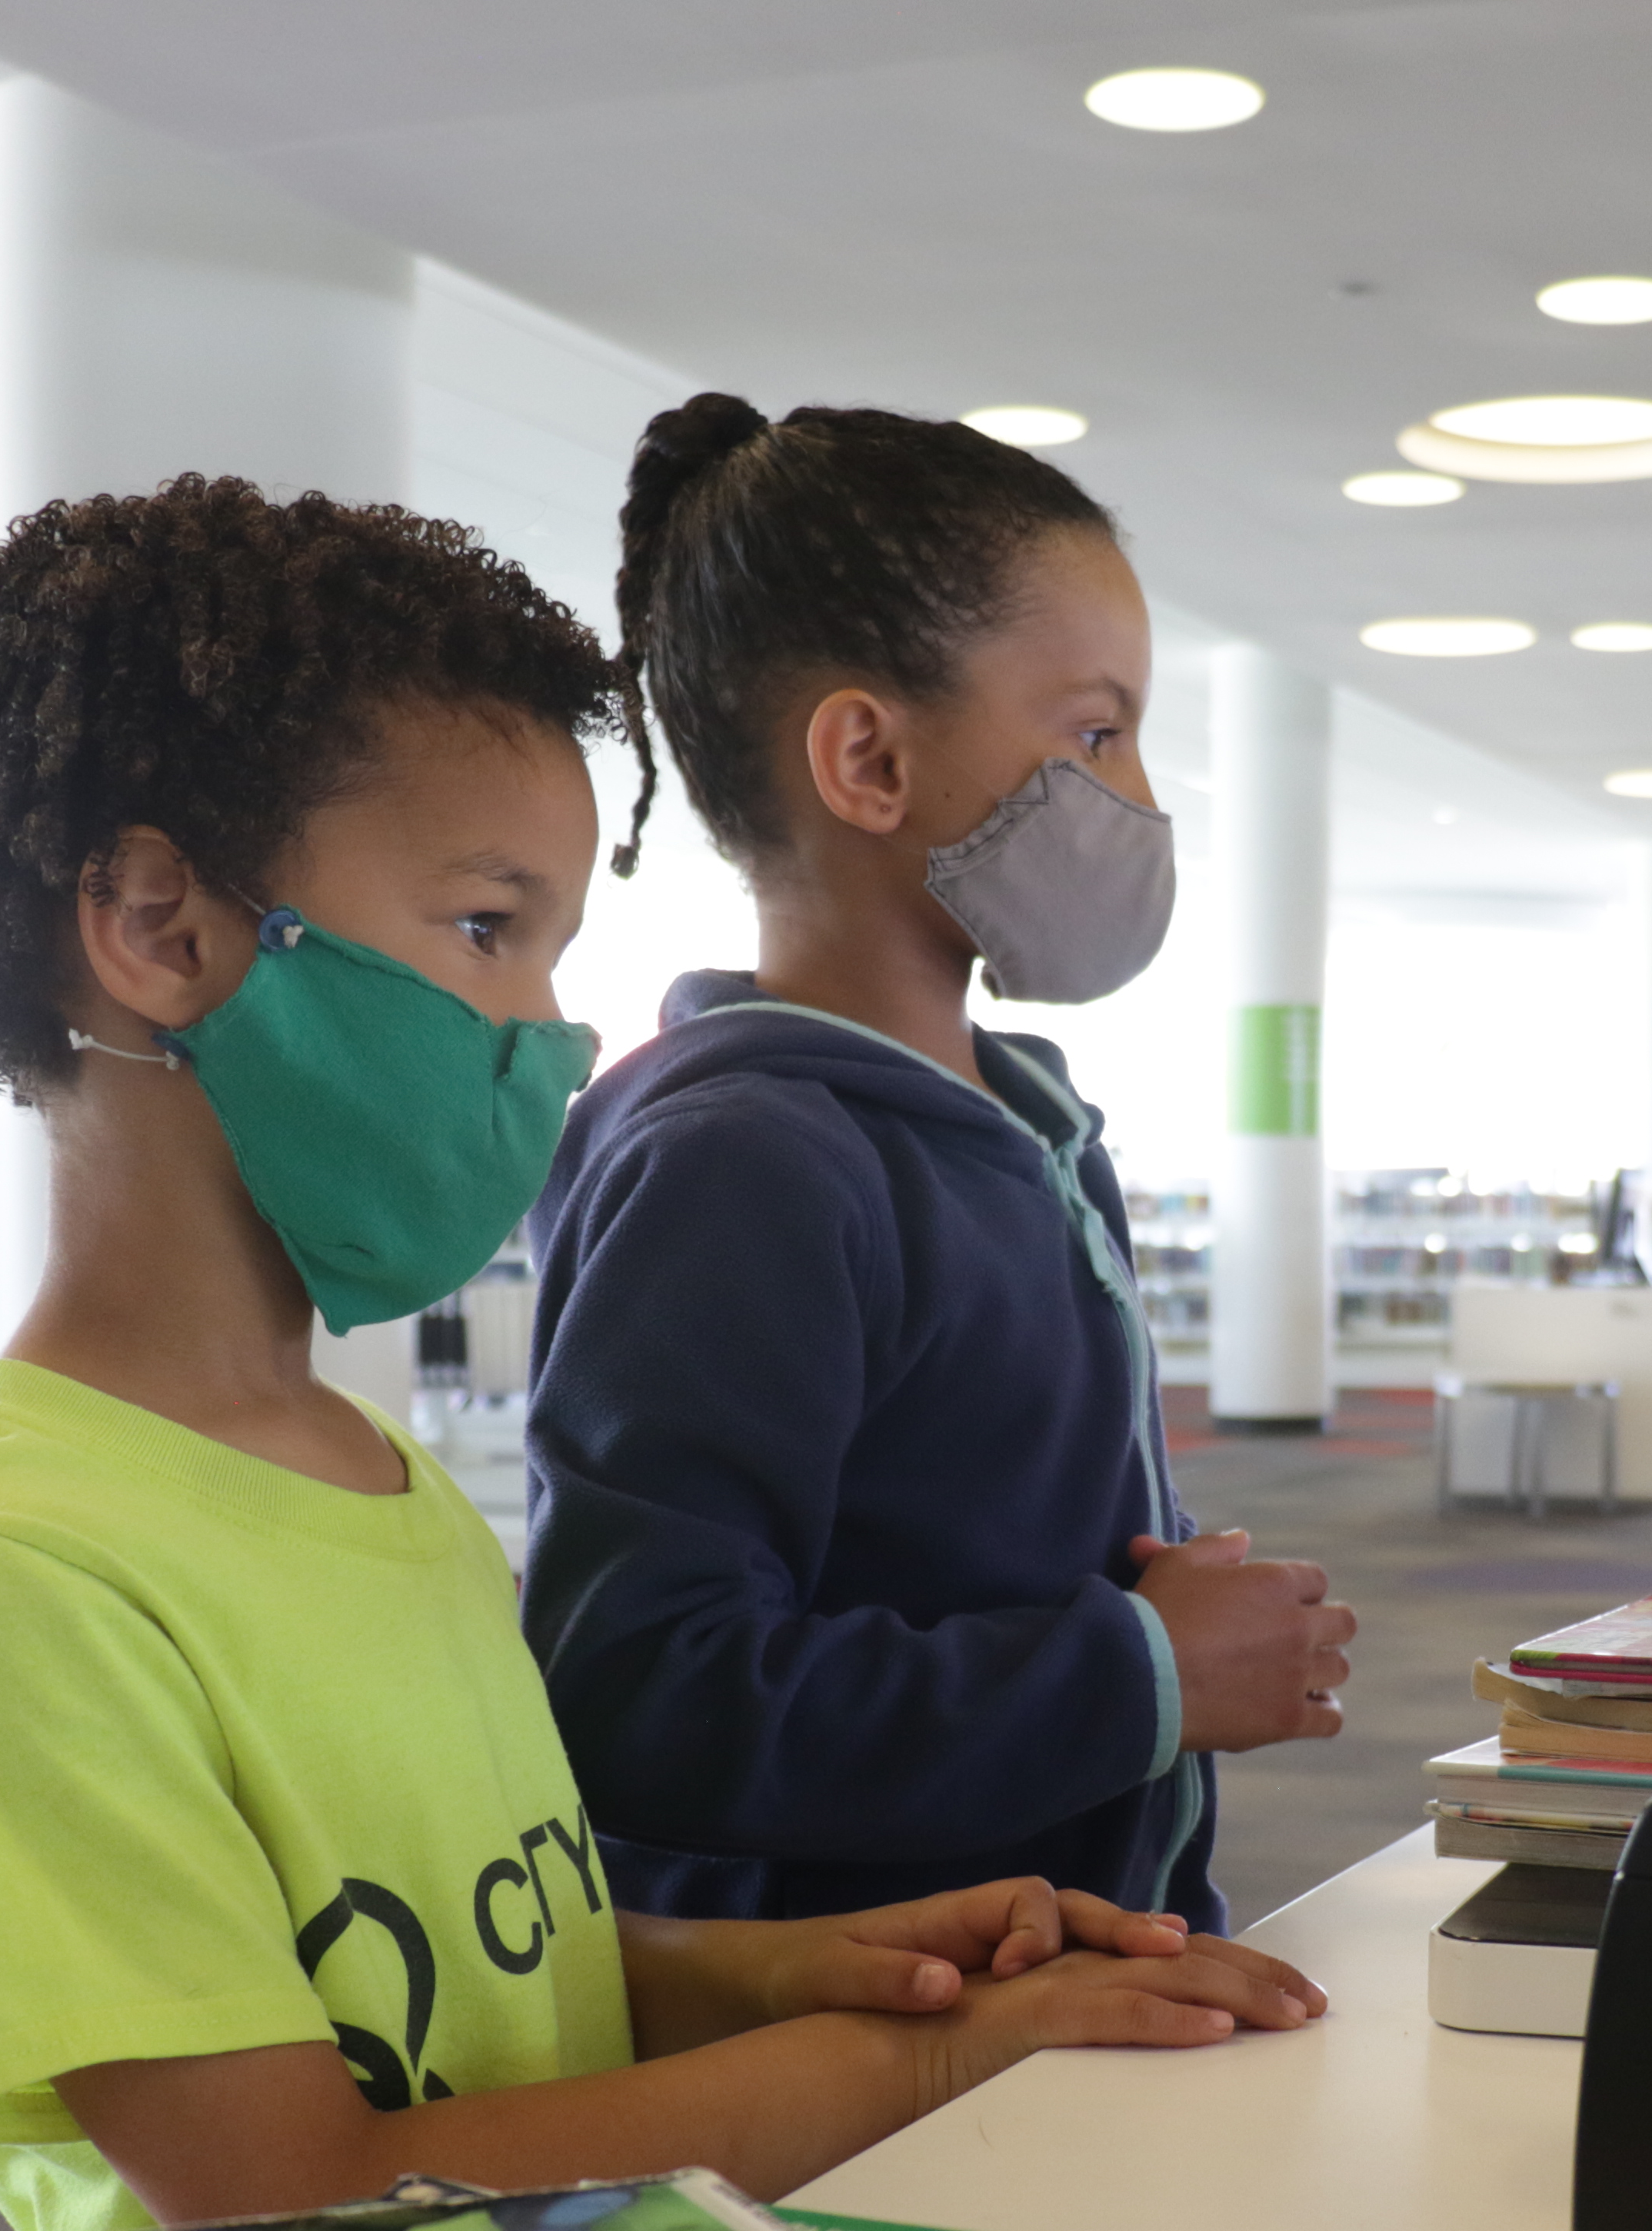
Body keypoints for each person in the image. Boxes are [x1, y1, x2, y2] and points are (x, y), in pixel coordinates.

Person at [0, 475, 1319, 2231]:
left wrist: (817, 1976)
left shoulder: (359, 1474)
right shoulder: (20, 1573)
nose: (547, 1033)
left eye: (551, 947)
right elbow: (290, 2193)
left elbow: (490, 1961)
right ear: (163, 930)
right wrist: (919, 2068)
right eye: (485, 930)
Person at [517, 399, 1354, 1931]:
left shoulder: (1021, 1126)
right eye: (1096, 732)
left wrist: (1142, 1623)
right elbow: (644, 1700)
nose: (1139, 797)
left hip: (1051, 2016)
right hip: (859, 2075)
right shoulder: (746, 1163)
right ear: (869, 759)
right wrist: (1143, 1671)